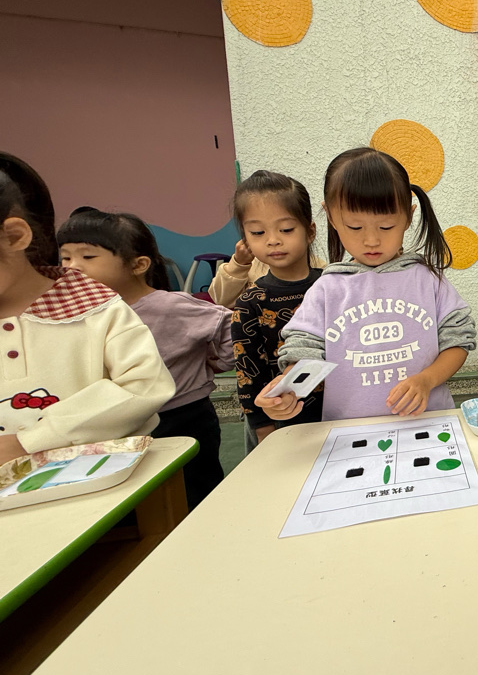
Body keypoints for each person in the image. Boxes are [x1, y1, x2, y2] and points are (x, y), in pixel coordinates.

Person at [256, 147, 476, 422]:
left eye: (386, 227)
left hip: (428, 423)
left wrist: (426, 380)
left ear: (408, 216)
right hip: (350, 431)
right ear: (331, 216)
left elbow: (458, 340)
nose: (371, 240)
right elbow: (304, 350)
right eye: (355, 227)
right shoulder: (327, 289)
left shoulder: (428, 279)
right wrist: (287, 391)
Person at [57, 208, 232, 507]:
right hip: (120, 423)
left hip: (182, 417)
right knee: (139, 499)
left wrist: (216, 360)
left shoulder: (168, 306)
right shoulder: (82, 315)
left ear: (138, 265)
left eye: (87, 257)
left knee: (193, 494)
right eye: (65, 258)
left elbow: (227, 325)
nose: (73, 267)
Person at [0, 171, 174, 467]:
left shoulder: (97, 308)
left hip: (105, 482)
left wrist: (29, 440)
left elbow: (145, 386)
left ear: (15, 236)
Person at [230, 170, 325, 448]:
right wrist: (264, 429)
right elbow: (248, 374)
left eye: (286, 229)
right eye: (258, 232)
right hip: (280, 419)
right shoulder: (250, 302)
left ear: (310, 231)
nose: (273, 240)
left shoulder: (333, 287)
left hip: (340, 413)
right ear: (246, 239)